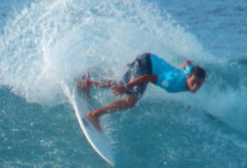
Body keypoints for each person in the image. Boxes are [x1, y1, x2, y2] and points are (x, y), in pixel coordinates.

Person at [78, 52, 206, 130]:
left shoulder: (191, 72)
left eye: (199, 84)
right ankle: (94, 115)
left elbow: (186, 63)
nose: (195, 87)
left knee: (121, 83)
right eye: (193, 82)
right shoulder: (172, 83)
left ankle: (87, 84)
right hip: (146, 65)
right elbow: (147, 77)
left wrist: (125, 85)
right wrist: (127, 87)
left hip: (149, 59)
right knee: (130, 102)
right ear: (188, 77)